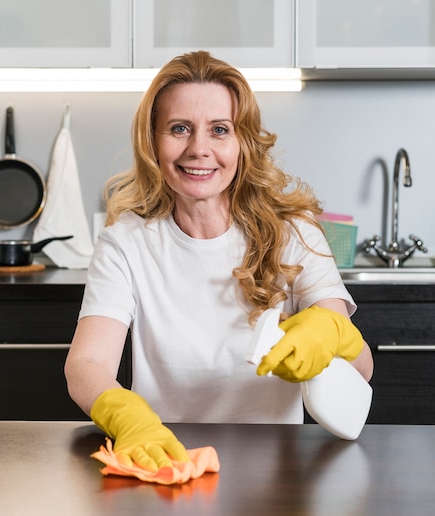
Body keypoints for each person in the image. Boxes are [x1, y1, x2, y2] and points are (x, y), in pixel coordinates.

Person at [64, 51, 374, 471]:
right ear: (152, 141)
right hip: (169, 459)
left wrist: (336, 333)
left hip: (277, 471)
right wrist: (129, 418)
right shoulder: (125, 244)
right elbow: (86, 364)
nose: (199, 149)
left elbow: (363, 367)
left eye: (219, 130)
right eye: (179, 129)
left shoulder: (294, 234)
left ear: (242, 142)